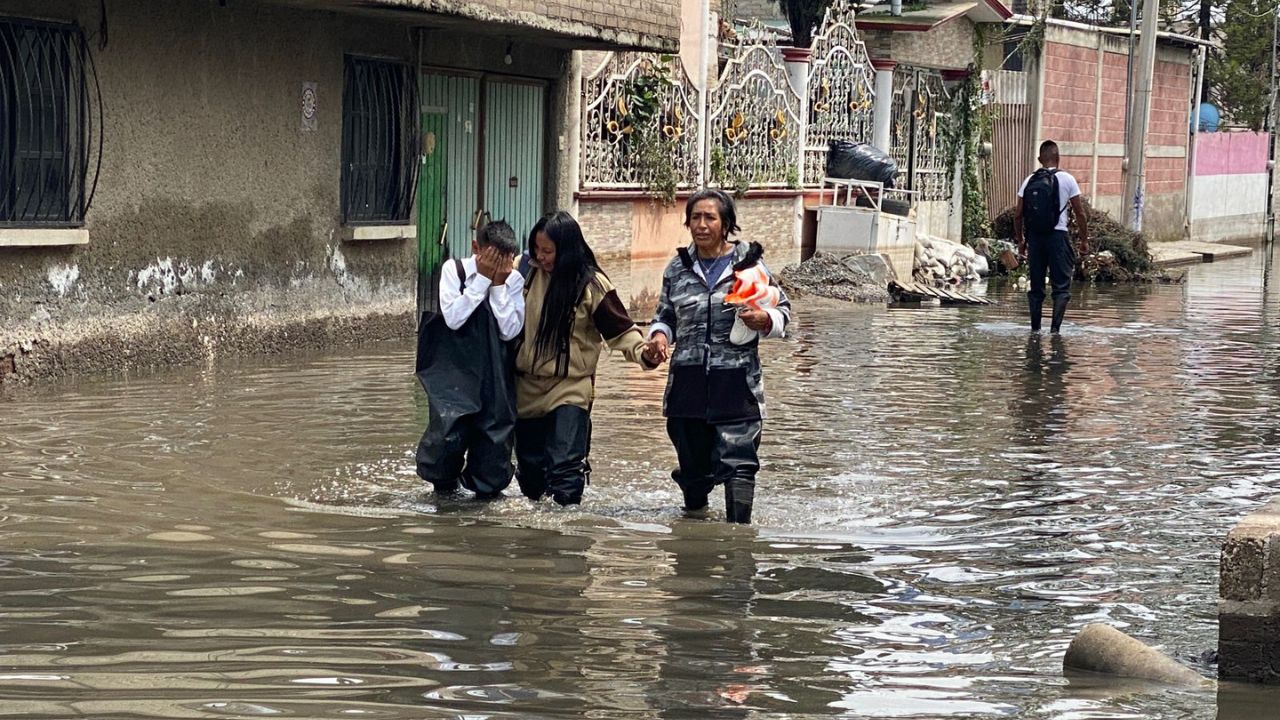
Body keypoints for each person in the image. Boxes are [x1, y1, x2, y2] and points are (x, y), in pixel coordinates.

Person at [645, 189, 791, 524]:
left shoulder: (749, 266)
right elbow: (666, 316)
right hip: (688, 382)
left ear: (726, 224)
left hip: (737, 382)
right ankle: (693, 534)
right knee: (693, 470)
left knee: (740, 465)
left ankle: (739, 543)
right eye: (695, 217)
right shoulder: (677, 269)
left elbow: (782, 309)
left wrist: (765, 320)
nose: (701, 224)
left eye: (710, 217)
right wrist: (658, 337)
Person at [514, 210, 655, 507]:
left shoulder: (591, 284)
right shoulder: (522, 272)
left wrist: (646, 353)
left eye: (548, 251)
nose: (541, 257)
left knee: (565, 471)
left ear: (566, 250)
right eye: (536, 249)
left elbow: (621, 331)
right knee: (530, 477)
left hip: (570, 387)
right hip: (524, 387)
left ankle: (566, 541)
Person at [414, 220, 524, 499]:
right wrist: (482, 281)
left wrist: (499, 286)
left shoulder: (514, 280)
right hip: (455, 374)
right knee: (446, 440)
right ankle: (445, 498)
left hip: (495, 376)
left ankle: (484, 505)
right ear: (477, 248)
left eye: (505, 258)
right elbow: (453, 318)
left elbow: (510, 330)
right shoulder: (455, 270)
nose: (500, 264)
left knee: (493, 445)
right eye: (492, 257)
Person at [1014, 140, 1090, 334]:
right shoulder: (1068, 179)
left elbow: (1018, 214)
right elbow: (1080, 213)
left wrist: (1021, 242)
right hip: (1058, 237)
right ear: (1058, 158)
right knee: (1061, 288)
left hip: (1035, 239)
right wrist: (1083, 240)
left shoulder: (1029, 180)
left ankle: (1035, 330)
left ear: (1040, 159)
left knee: (1036, 288)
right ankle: (1055, 331)